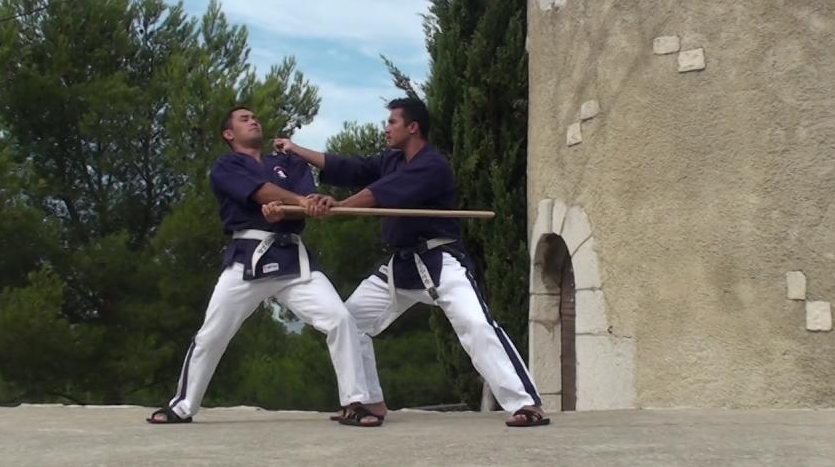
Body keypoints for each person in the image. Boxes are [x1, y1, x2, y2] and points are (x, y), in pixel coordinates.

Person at [275, 97, 550, 427]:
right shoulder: (391, 160)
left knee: (476, 325)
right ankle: (370, 402)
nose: (386, 128)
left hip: (440, 261)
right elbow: (350, 167)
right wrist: (296, 149)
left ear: (413, 127)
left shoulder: (432, 165)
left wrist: (339, 207)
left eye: (392, 122)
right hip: (400, 266)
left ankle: (527, 404)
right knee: (350, 322)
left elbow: (380, 192)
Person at [148, 106, 379, 427]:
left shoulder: (289, 163)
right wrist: (295, 203)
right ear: (229, 134)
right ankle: (182, 406)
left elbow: (305, 200)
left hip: (293, 259)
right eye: (244, 119)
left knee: (340, 319)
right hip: (247, 259)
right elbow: (260, 192)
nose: (253, 120)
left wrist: (298, 207)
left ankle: (355, 403)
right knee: (212, 333)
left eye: (255, 117)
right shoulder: (226, 166)